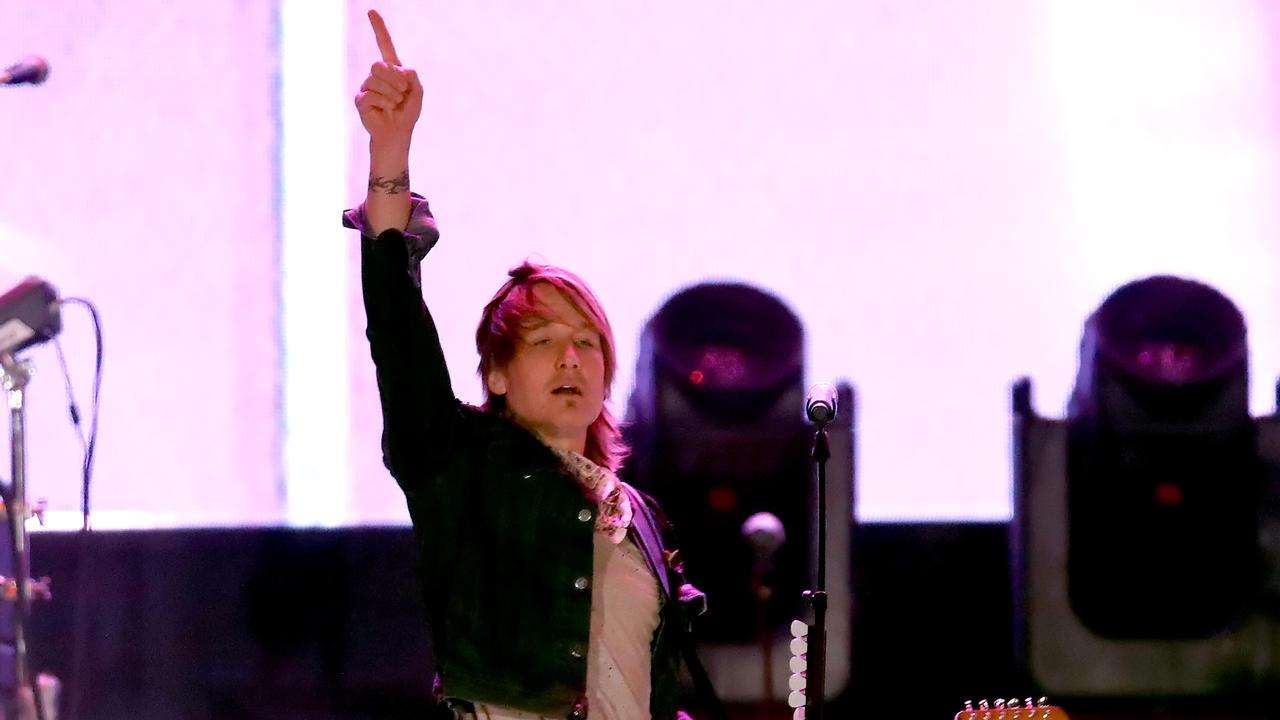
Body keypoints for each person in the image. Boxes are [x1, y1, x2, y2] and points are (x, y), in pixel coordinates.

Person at [344, 11, 719, 720]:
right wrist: (390, 155)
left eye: (587, 341)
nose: (571, 357)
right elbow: (398, 333)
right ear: (496, 372)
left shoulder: (637, 515)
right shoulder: (462, 468)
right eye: (543, 340)